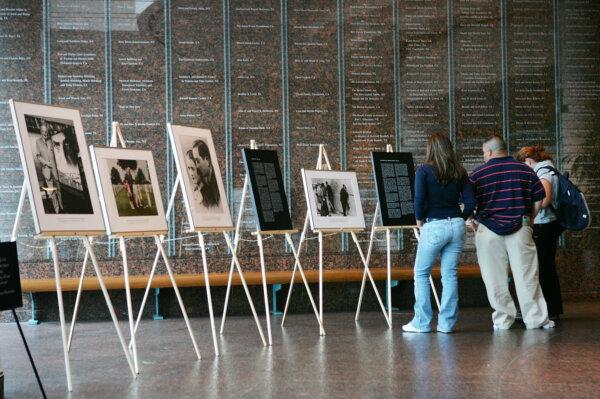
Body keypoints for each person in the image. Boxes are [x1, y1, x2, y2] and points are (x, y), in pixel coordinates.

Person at [469, 135, 554, 330]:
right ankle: (536, 319)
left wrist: (471, 220)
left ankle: (502, 320)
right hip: (520, 227)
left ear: (489, 152)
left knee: (494, 278)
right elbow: (539, 197)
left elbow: (468, 201)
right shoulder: (524, 169)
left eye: (484, 153)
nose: (484, 156)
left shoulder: (478, 173)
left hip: (488, 230)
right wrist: (530, 219)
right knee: (527, 275)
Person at [402, 133, 475, 334]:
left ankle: (422, 323)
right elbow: (470, 203)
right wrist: (460, 217)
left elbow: (418, 199)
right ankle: (446, 325)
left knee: (421, 273)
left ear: (430, 149)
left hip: (434, 225)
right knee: (449, 275)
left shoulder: (424, 170)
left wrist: (419, 221)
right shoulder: (460, 171)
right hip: (457, 226)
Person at [516, 145, 563, 322]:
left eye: (524, 165)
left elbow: (544, 200)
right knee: (546, 267)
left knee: (542, 267)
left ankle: (547, 310)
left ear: (529, 161)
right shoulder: (549, 168)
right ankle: (551, 309)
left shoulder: (542, 171)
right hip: (550, 224)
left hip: (544, 224)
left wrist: (526, 202)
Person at [191, 140, 220, 209]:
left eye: (198, 161)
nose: (197, 166)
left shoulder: (217, 182)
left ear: (207, 160)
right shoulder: (205, 181)